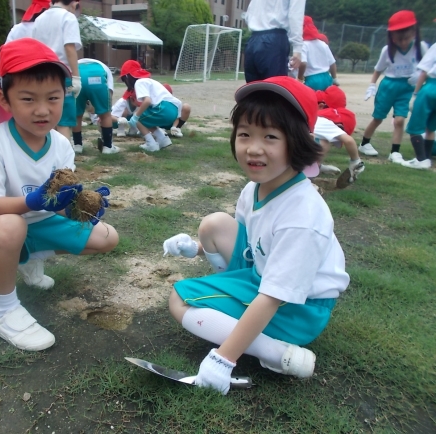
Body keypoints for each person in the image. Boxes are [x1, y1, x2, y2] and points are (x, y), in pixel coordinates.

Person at [163, 76, 349, 395]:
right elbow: (251, 243)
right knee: (213, 225)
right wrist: (194, 248)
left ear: (298, 142)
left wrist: (223, 360)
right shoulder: (255, 188)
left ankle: (279, 354)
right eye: (245, 134)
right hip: (264, 277)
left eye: (271, 136)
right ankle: (249, 323)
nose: (254, 148)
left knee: (180, 300)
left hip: (299, 309)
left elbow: (274, 296)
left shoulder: (303, 215)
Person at [0, 38, 118, 351]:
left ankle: (28, 259)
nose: (43, 110)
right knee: (12, 226)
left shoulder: (60, 145)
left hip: (40, 221)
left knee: (107, 237)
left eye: (53, 98)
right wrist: (32, 202)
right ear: (5, 101)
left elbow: (59, 202)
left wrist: (78, 208)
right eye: (28, 99)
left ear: (65, 98)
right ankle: (4, 311)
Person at [359, 10, 427, 162]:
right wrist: (372, 85)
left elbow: (428, 67)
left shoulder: (420, 47)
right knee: (378, 118)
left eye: (406, 38)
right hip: (389, 86)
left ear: (414, 32)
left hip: (407, 87)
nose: (403, 42)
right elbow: (378, 70)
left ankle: (395, 151)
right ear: (392, 37)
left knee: (400, 120)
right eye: (398, 39)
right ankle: (364, 143)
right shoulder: (387, 50)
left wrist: (420, 74)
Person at [32, 0, 82, 141]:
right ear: (73, 3)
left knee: (47, 118)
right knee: (63, 121)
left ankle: (49, 158)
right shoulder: (68, 17)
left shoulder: (40, 19)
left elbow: (35, 47)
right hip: (61, 72)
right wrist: (76, 78)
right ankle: (65, 162)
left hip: (41, 72)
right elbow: (69, 47)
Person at [120, 60, 181, 152]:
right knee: (147, 120)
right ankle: (163, 139)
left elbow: (147, 101)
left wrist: (135, 117)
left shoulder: (139, 82)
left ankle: (151, 144)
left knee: (139, 119)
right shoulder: (149, 81)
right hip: (173, 110)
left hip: (164, 108)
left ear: (128, 77)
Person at [243, 0, 306, 83]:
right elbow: (295, 14)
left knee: (253, 92)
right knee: (275, 91)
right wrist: (297, 47)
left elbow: (249, 13)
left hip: (253, 39)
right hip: (274, 39)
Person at [402, 41, 436, 169]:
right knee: (431, 127)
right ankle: (426, 158)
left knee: (415, 127)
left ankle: (421, 159)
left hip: (432, 86)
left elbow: (424, 72)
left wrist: (415, 94)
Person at [74, 58, 118, 154]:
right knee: (106, 114)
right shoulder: (105, 68)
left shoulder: (78, 63)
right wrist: (102, 111)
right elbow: (109, 96)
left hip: (77, 74)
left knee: (77, 115)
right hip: (98, 77)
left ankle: (77, 145)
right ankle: (107, 147)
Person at [315, 107, 365, 187]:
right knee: (323, 145)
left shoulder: (316, 119)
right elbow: (349, 141)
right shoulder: (329, 124)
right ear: (340, 126)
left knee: (320, 142)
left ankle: (315, 167)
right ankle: (305, 180)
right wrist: (356, 161)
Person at [298, 16, 338, 91]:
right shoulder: (323, 44)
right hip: (327, 77)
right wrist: (334, 78)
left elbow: (303, 63)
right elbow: (332, 63)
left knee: (312, 101)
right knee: (326, 101)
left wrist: (300, 78)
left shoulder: (303, 45)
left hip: (312, 79)